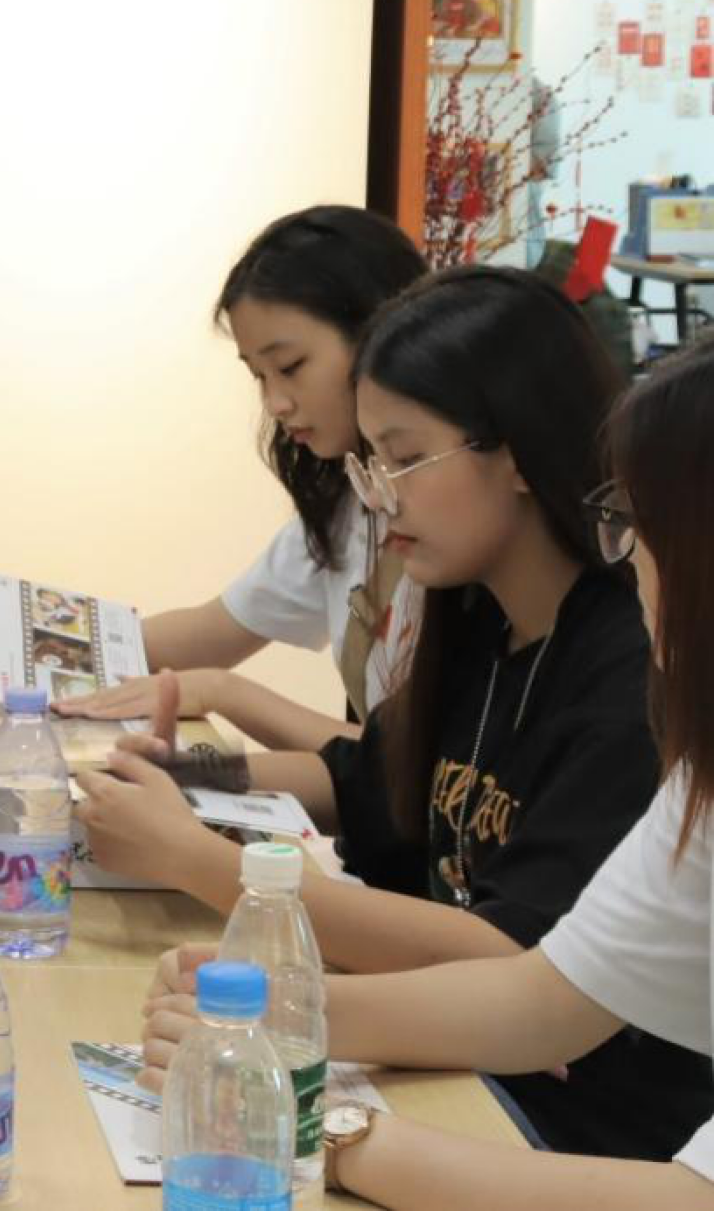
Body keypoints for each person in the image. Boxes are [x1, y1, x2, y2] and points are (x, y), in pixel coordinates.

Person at [86, 267, 708, 1161]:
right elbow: (363, 776)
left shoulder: (628, 681)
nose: (381, 496)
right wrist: (182, 775)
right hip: (465, 1070)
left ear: (518, 452)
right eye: (372, 463)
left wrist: (206, 867)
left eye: (405, 459)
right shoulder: (482, 620)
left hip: (549, 1119)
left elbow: (517, 963)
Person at [0, 205, 428, 748]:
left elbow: (419, 769)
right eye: (258, 376)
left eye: (290, 367)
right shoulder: (347, 504)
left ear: (382, 334)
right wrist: (38, 652)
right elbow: (214, 629)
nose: (276, 403)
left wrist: (221, 693)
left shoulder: (449, 520)